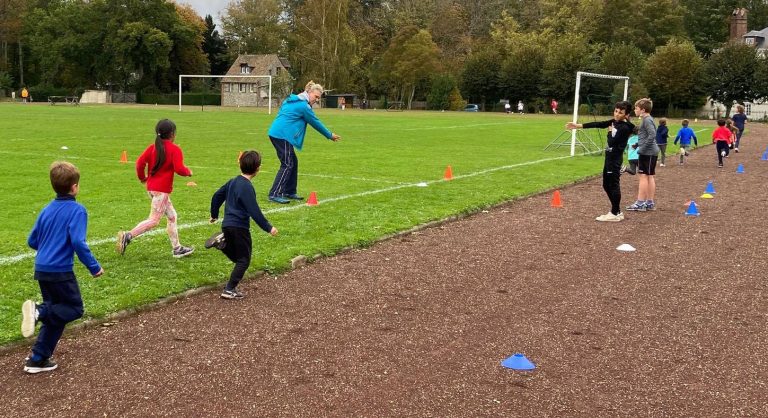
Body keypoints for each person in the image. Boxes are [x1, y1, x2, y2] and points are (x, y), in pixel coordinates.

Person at [21, 161, 104, 374]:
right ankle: (38, 310)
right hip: (60, 270)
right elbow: (78, 242)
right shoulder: (77, 210)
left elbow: (32, 240)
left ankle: (38, 358)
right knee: (74, 309)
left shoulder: (46, 209)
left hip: (42, 268)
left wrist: (49, 245)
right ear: (75, 187)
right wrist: (94, 267)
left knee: (57, 313)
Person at [116, 119, 194, 258]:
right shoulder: (174, 149)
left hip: (152, 188)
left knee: (172, 216)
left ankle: (177, 248)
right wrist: (188, 172)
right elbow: (179, 169)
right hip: (161, 191)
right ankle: (128, 236)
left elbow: (139, 163)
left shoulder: (153, 147)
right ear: (172, 134)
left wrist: (142, 178)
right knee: (154, 220)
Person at [207, 151, 278, 299]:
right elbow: (254, 211)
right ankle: (229, 289)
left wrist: (214, 214)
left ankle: (222, 244)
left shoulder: (233, 181)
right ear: (258, 168)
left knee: (239, 258)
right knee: (244, 260)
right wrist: (268, 227)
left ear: (240, 164)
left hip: (227, 225)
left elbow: (217, 195)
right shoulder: (247, 187)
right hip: (240, 227)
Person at [267, 81, 340, 204]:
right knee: (287, 164)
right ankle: (275, 193)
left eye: (318, 98)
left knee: (293, 162)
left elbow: (282, 110)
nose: (316, 100)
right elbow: (315, 122)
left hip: (278, 133)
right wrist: (329, 135)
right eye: (316, 97)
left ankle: (289, 191)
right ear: (309, 92)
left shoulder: (293, 100)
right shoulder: (303, 106)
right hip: (282, 135)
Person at [566, 101, 634, 222]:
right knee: (605, 185)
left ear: (626, 114)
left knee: (613, 185)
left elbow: (612, 141)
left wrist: (609, 132)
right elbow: (599, 123)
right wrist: (577, 126)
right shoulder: (615, 122)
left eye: (621, 113)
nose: (617, 114)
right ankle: (616, 211)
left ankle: (615, 212)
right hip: (609, 159)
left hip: (614, 160)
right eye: (616, 111)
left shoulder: (624, 127)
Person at [626, 98, 658, 212]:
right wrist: (637, 144)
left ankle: (640, 203)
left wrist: (642, 148)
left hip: (647, 152)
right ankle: (649, 202)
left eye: (636, 108)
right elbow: (646, 136)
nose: (635, 110)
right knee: (649, 176)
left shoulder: (647, 120)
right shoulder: (647, 119)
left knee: (643, 176)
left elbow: (652, 134)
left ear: (643, 110)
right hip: (650, 152)